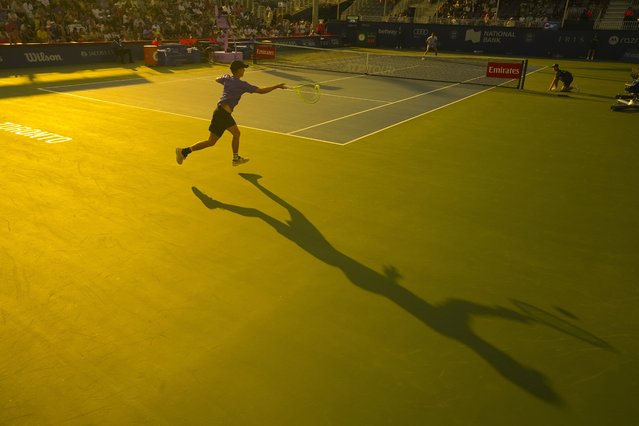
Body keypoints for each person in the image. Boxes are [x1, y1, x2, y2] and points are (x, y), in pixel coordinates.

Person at [175, 60, 286, 167]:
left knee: (211, 141)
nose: (244, 70)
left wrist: (226, 77)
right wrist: (276, 86)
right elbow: (261, 91)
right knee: (235, 134)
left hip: (220, 113)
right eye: (243, 68)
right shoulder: (242, 84)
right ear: (238, 70)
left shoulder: (227, 79)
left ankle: (184, 151)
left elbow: (217, 79)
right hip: (223, 114)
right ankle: (235, 158)